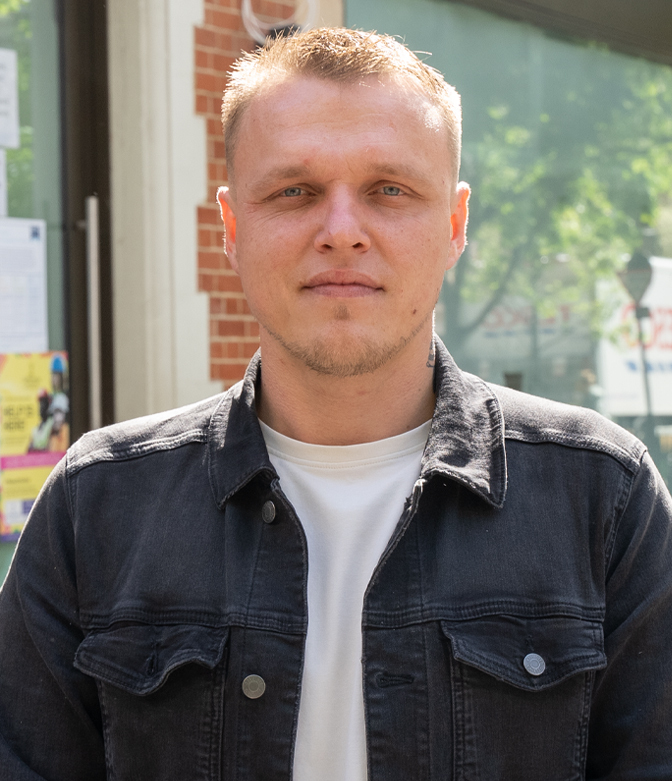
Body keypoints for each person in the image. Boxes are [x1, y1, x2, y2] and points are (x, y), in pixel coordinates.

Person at [1, 27, 671, 781]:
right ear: (230, 226)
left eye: (390, 190)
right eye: (295, 191)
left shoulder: (605, 500)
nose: (342, 232)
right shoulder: (98, 504)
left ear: (454, 224)